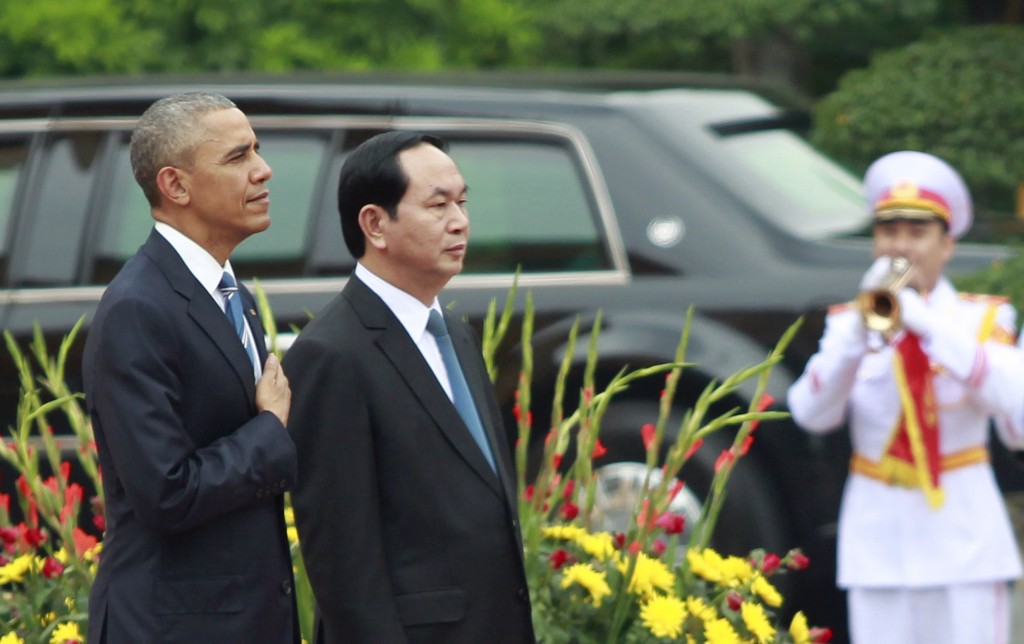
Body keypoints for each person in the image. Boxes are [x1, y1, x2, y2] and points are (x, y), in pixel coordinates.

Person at [283, 131, 535, 643]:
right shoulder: (331, 353)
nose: (460, 221)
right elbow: (341, 558)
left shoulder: (455, 333)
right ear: (375, 224)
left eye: (462, 203)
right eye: (438, 205)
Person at [82, 92, 299, 643]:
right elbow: (167, 493)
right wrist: (270, 430)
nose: (263, 170)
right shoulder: (138, 307)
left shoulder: (230, 293)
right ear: (175, 186)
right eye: (237, 158)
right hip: (174, 625)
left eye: (257, 150)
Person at [787, 150, 1024, 643]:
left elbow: (1012, 402)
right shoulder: (846, 322)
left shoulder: (982, 320)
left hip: (965, 541)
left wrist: (926, 323)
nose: (901, 247)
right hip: (880, 543)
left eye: (917, 234)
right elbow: (811, 414)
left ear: (947, 245)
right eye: (889, 232)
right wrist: (855, 331)